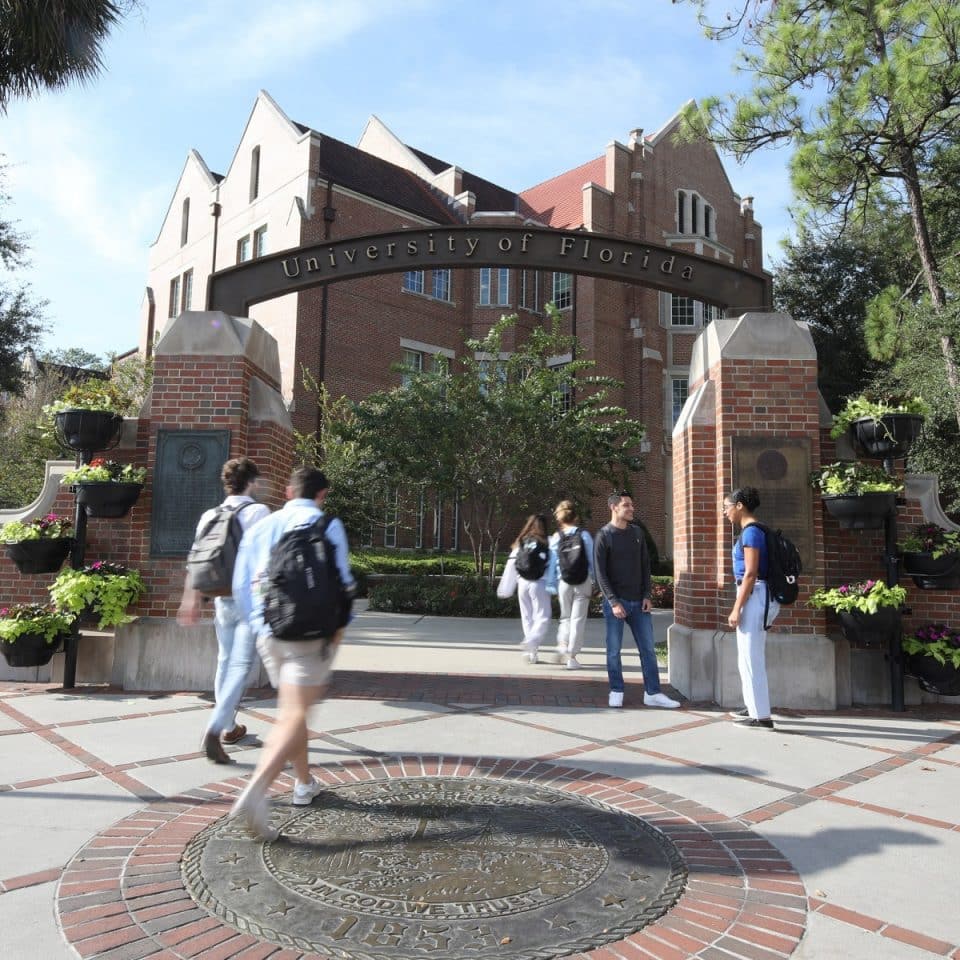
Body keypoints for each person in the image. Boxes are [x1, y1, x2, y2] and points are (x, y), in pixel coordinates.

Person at [229, 465, 356, 840]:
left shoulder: (263, 526)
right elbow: (345, 583)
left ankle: (304, 783)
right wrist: (337, 634)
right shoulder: (327, 525)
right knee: (295, 714)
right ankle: (255, 792)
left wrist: (260, 623)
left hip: (271, 631)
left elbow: (241, 585)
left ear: (287, 492)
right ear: (323, 494)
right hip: (311, 635)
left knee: (291, 713)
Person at [177, 457, 270, 764]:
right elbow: (265, 561)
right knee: (241, 665)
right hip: (247, 599)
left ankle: (229, 726)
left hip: (219, 597)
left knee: (225, 660)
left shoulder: (209, 515)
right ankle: (215, 729)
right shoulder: (258, 512)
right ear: (252, 483)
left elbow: (196, 558)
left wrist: (189, 600)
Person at [594, 492, 679, 709]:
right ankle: (616, 690)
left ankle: (653, 693)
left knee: (648, 650)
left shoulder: (637, 533)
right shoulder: (604, 535)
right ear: (613, 507)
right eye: (626, 505)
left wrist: (647, 595)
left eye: (632, 505)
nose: (631, 509)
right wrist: (613, 602)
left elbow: (645, 567)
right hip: (616, 604)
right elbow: (600, 573)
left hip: (639, 603)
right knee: (614, 650)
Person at [724, 486, 777, 729]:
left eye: (727, 507)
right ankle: (752, 706)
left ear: (739, 506)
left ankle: (762, 717)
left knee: (751, 657)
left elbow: (750, 573)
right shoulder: (752, 531)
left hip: (754, 595)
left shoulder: (751, 533)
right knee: (746, 656)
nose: (725, 512)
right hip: (754, 594)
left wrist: (736, 608)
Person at [545, 500, 594, 669]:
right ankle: (572, 657)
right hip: (583, 581)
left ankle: (562, 644)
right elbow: (592, 560)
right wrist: (594, 579)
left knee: (565, 617)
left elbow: (551, 564)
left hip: (563, 582)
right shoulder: (584, 535)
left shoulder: (556, 537)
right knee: (578, 619)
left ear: (559, 517)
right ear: (576, 516)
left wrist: (551, 583)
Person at [497, 514, 551, 664]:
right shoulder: (548, 542)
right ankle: (531, 640)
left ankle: (531, 653)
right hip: (539, 583)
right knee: (543, 616)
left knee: (527, 618)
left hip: (522, 584)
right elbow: (554, 565)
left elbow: (511, 566)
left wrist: (505, 590)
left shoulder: (521, 542)